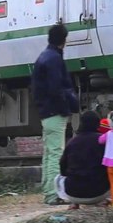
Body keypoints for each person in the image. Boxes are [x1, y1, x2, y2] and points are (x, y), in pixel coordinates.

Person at [32, 24, 79, 205]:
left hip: (46, 111)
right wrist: (65, 108)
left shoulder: (44, 57)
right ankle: (53, 194)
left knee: (49, 153)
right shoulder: (54, 59)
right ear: (64, 40)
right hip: (54, 111)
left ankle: (47, 189)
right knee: (56, 153)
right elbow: (56, 89)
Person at [58, 112, 110, 206]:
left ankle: (74, 203)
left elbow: (62, 168)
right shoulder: (103, 140)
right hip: (99, 192)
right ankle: (109, 199)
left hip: (72, 193)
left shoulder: (72, 142)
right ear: (98, 124)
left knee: (57, 178)